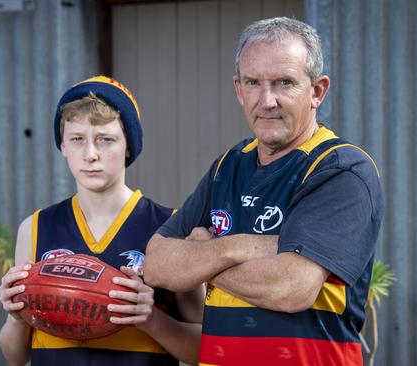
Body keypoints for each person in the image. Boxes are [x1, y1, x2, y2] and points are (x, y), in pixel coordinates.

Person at [144, 17, 384, 366]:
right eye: (253, 83)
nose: (266, 100)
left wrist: (200, 257)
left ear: (317, 91)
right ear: (239, 89)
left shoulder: (342, 170)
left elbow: (290, 288)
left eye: (284, 83)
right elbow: (157, 265)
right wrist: (237, 247)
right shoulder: (228, 167)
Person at [0, 76, 203, 366]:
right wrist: (16, 317)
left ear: (128, 146)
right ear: (63, 146)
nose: (90, 154)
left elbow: (205, 351)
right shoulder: (34, 228)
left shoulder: (172, 228)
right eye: (77, 139)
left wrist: (152, 320)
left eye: (105, 140)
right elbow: (16, 356)